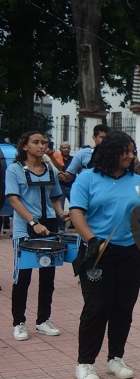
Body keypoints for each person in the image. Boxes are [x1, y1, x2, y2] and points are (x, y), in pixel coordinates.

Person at [68, 131, 140, 379]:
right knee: (97, 307)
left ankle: (116, 357)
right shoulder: (87, 179)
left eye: (132, 151)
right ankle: (85, 363)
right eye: (125, 151)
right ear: (110, 152)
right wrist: (92, 240)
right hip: (98, 252)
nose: (130, 156)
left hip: (131, 253)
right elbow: (76, 213)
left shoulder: (138, 181)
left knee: (123, 307)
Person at [6, 131, 70, 341]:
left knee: (48, 276)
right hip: (26, 227)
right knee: (22, 277)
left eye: (44, 142)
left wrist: (62, 214)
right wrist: (33, 221)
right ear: (25, 146)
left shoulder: (50, 169)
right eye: (36, 142)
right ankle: (19, 323)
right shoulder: (14, 169)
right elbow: (14, 200)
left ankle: (43, 320)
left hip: (49, 226)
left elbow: (55, 197)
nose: (41, 146)